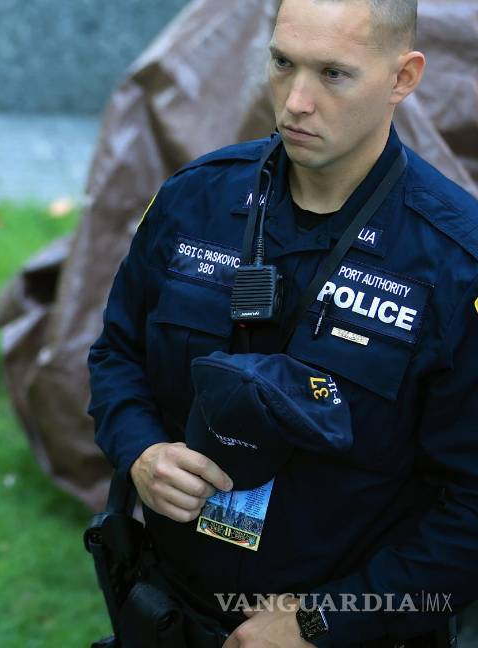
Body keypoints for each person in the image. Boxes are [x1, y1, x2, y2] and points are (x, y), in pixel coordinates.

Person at [87, 0, 478, 645]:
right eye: (281, 63)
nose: (295, 102)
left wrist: (321, 622)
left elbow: (472, 507)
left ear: (403, 78)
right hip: (164, 610)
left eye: (333, 74)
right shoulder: (196, 200)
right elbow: (117, 355)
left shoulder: (454, 266)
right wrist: (140, 451)